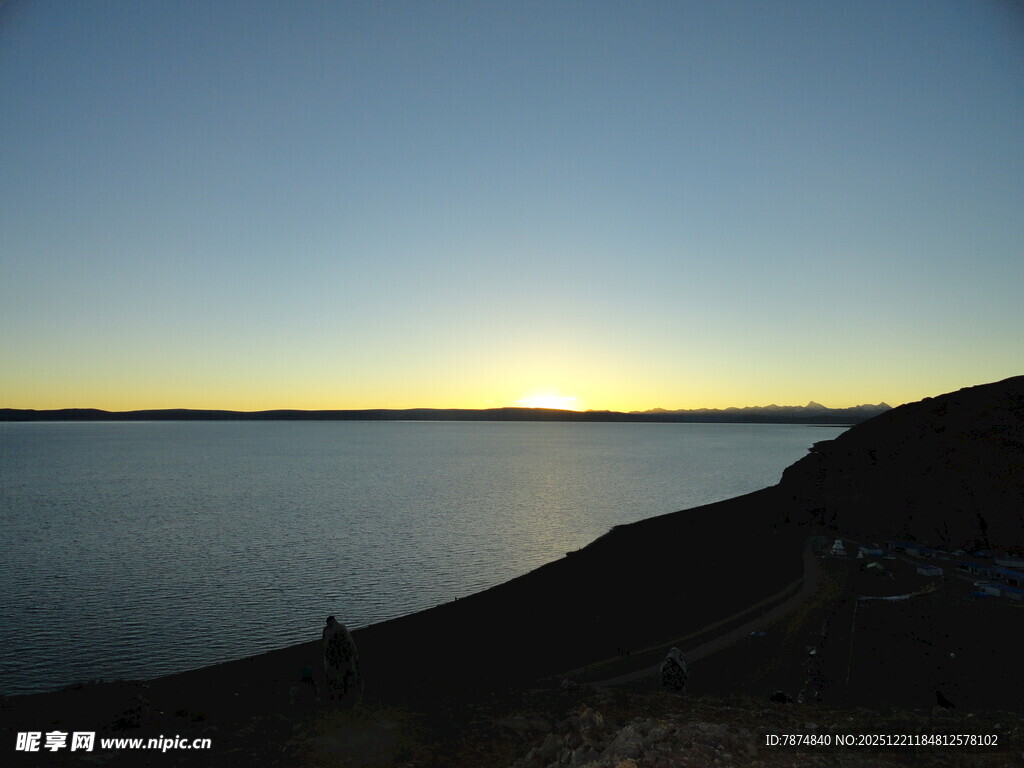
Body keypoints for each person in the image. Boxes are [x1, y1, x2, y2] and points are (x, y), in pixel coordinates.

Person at [322, 616, 362, 701]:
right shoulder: (335, 628)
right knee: (343, 674)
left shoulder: (335, 629)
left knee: (342, 674)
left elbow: (326, 644)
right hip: (339, 655)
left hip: (340, 655)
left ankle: (344, 692)